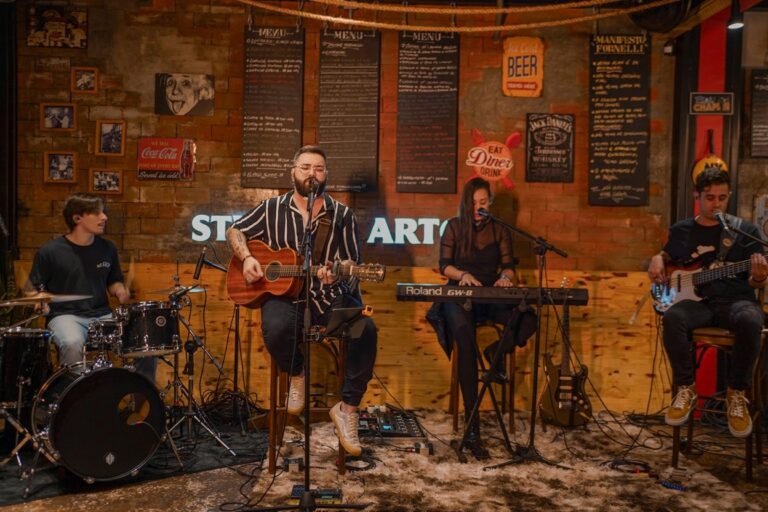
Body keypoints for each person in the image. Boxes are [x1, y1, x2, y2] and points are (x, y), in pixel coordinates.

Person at [226, 145, 377, 456]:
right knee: (276, 327)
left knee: (366, 328)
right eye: (306, 167)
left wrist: (338, 272)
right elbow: (235, 231)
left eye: (319, 168)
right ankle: (296, 374)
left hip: (328, 297)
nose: (312, 174)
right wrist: (247, 258)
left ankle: (347, 410)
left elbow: (352, 263)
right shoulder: (271, 209)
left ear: (326, 174)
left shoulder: (342, 215)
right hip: (283, 297)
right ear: (293, 172)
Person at [648, 167, 767, 438]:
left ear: (729, 196)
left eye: (722, 198)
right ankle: (686, 388)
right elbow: (668, 255)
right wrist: (657, 258)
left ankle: (736, 393)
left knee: (752, 319)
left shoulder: (745, 232)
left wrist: (760, 276)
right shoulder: (682, 230)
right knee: (673, 318)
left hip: (736, 301)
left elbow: (755, 282)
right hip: (699, 305)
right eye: (710, 198)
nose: (716, 204)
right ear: (697, 197)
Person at [434, 177, 529, 459]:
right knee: (464, 340)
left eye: (483, 202)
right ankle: (472, 426)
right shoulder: (454, 226)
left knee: (528, 318)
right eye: (474, 203)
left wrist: (505, 278)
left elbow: (508, 267)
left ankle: (494, 353)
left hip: (490, 293)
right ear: (467, 203)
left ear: (490, 203)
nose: (478, 207)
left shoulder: (500, 230)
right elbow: (444, 266)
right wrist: (463, 275)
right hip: (460, 293)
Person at [27, 193, 156, 382]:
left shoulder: (108, 248)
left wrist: (119, 290)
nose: (104, 217)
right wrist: (40, 303)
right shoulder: (50, 251)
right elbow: (33, 289)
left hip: (102, 315)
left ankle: (142, 396)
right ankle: (77, 396)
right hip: (65, 316)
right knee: (72, 343)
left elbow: (113, 281)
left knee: (144, 342)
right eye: (97, 213)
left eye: (103, 212)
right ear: (77, 218)